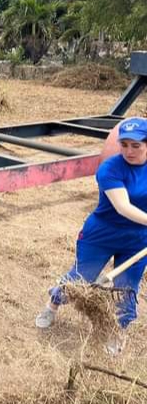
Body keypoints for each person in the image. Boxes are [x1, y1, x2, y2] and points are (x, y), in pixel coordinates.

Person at [35, 117, 147, 353]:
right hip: (102, 233)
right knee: (80, 278)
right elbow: (122, 207)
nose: (129, 151)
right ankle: (52, 305)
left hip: (137, 239)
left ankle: (117, 331)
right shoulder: (110, 168)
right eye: (124, 144)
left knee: (127, 288)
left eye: (136, 145)